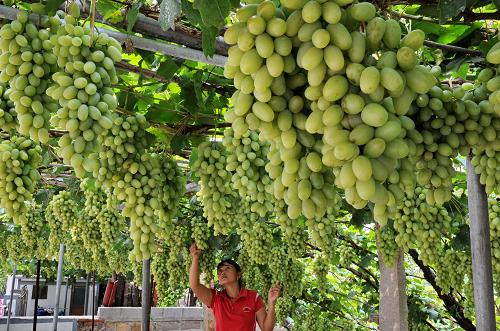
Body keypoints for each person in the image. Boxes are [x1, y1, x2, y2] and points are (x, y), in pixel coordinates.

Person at [189, 243, 281, 331]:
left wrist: (272, 304)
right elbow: (194, 285)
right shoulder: (216, 298)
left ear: (238, 275)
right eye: (220, 271)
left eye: (228, 268)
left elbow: (266, 329)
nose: (223, 272)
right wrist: (195, 257)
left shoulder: (254, 297)